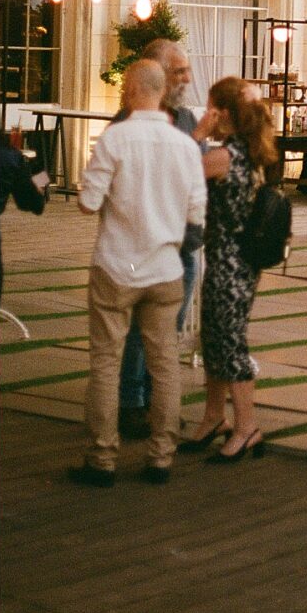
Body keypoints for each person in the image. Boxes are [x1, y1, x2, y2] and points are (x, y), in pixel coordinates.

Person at [73, 57, 206, 486]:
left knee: (106, 364)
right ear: (164, 91)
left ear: (130, 90)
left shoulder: (115, 139)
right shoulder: (185, 145)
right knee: (165, 364)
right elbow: (197, 213)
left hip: (117, 263)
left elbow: (89, 202)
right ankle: (161, 457)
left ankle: (102, 459)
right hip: (165, 266)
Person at [181, 78, 278, 463]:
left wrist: (198, 133)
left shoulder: (223, 157)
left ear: (222, 112)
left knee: (230, 341)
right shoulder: (249, 152)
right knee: (216, 338)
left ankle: (246, 426)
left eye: (211, 108)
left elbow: (177, 170)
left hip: (229, 262)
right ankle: (213, 417)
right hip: (239, 261)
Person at [115, 39, 200, 438]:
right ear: (157, 73)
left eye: (186, 69)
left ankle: (155, 402)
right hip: (140, 245)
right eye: (179, 70)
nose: (187, 77)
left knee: (169, 329)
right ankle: (131, 402)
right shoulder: (126, 123)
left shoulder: (185, 119)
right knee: (136, 328)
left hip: (182, 245)